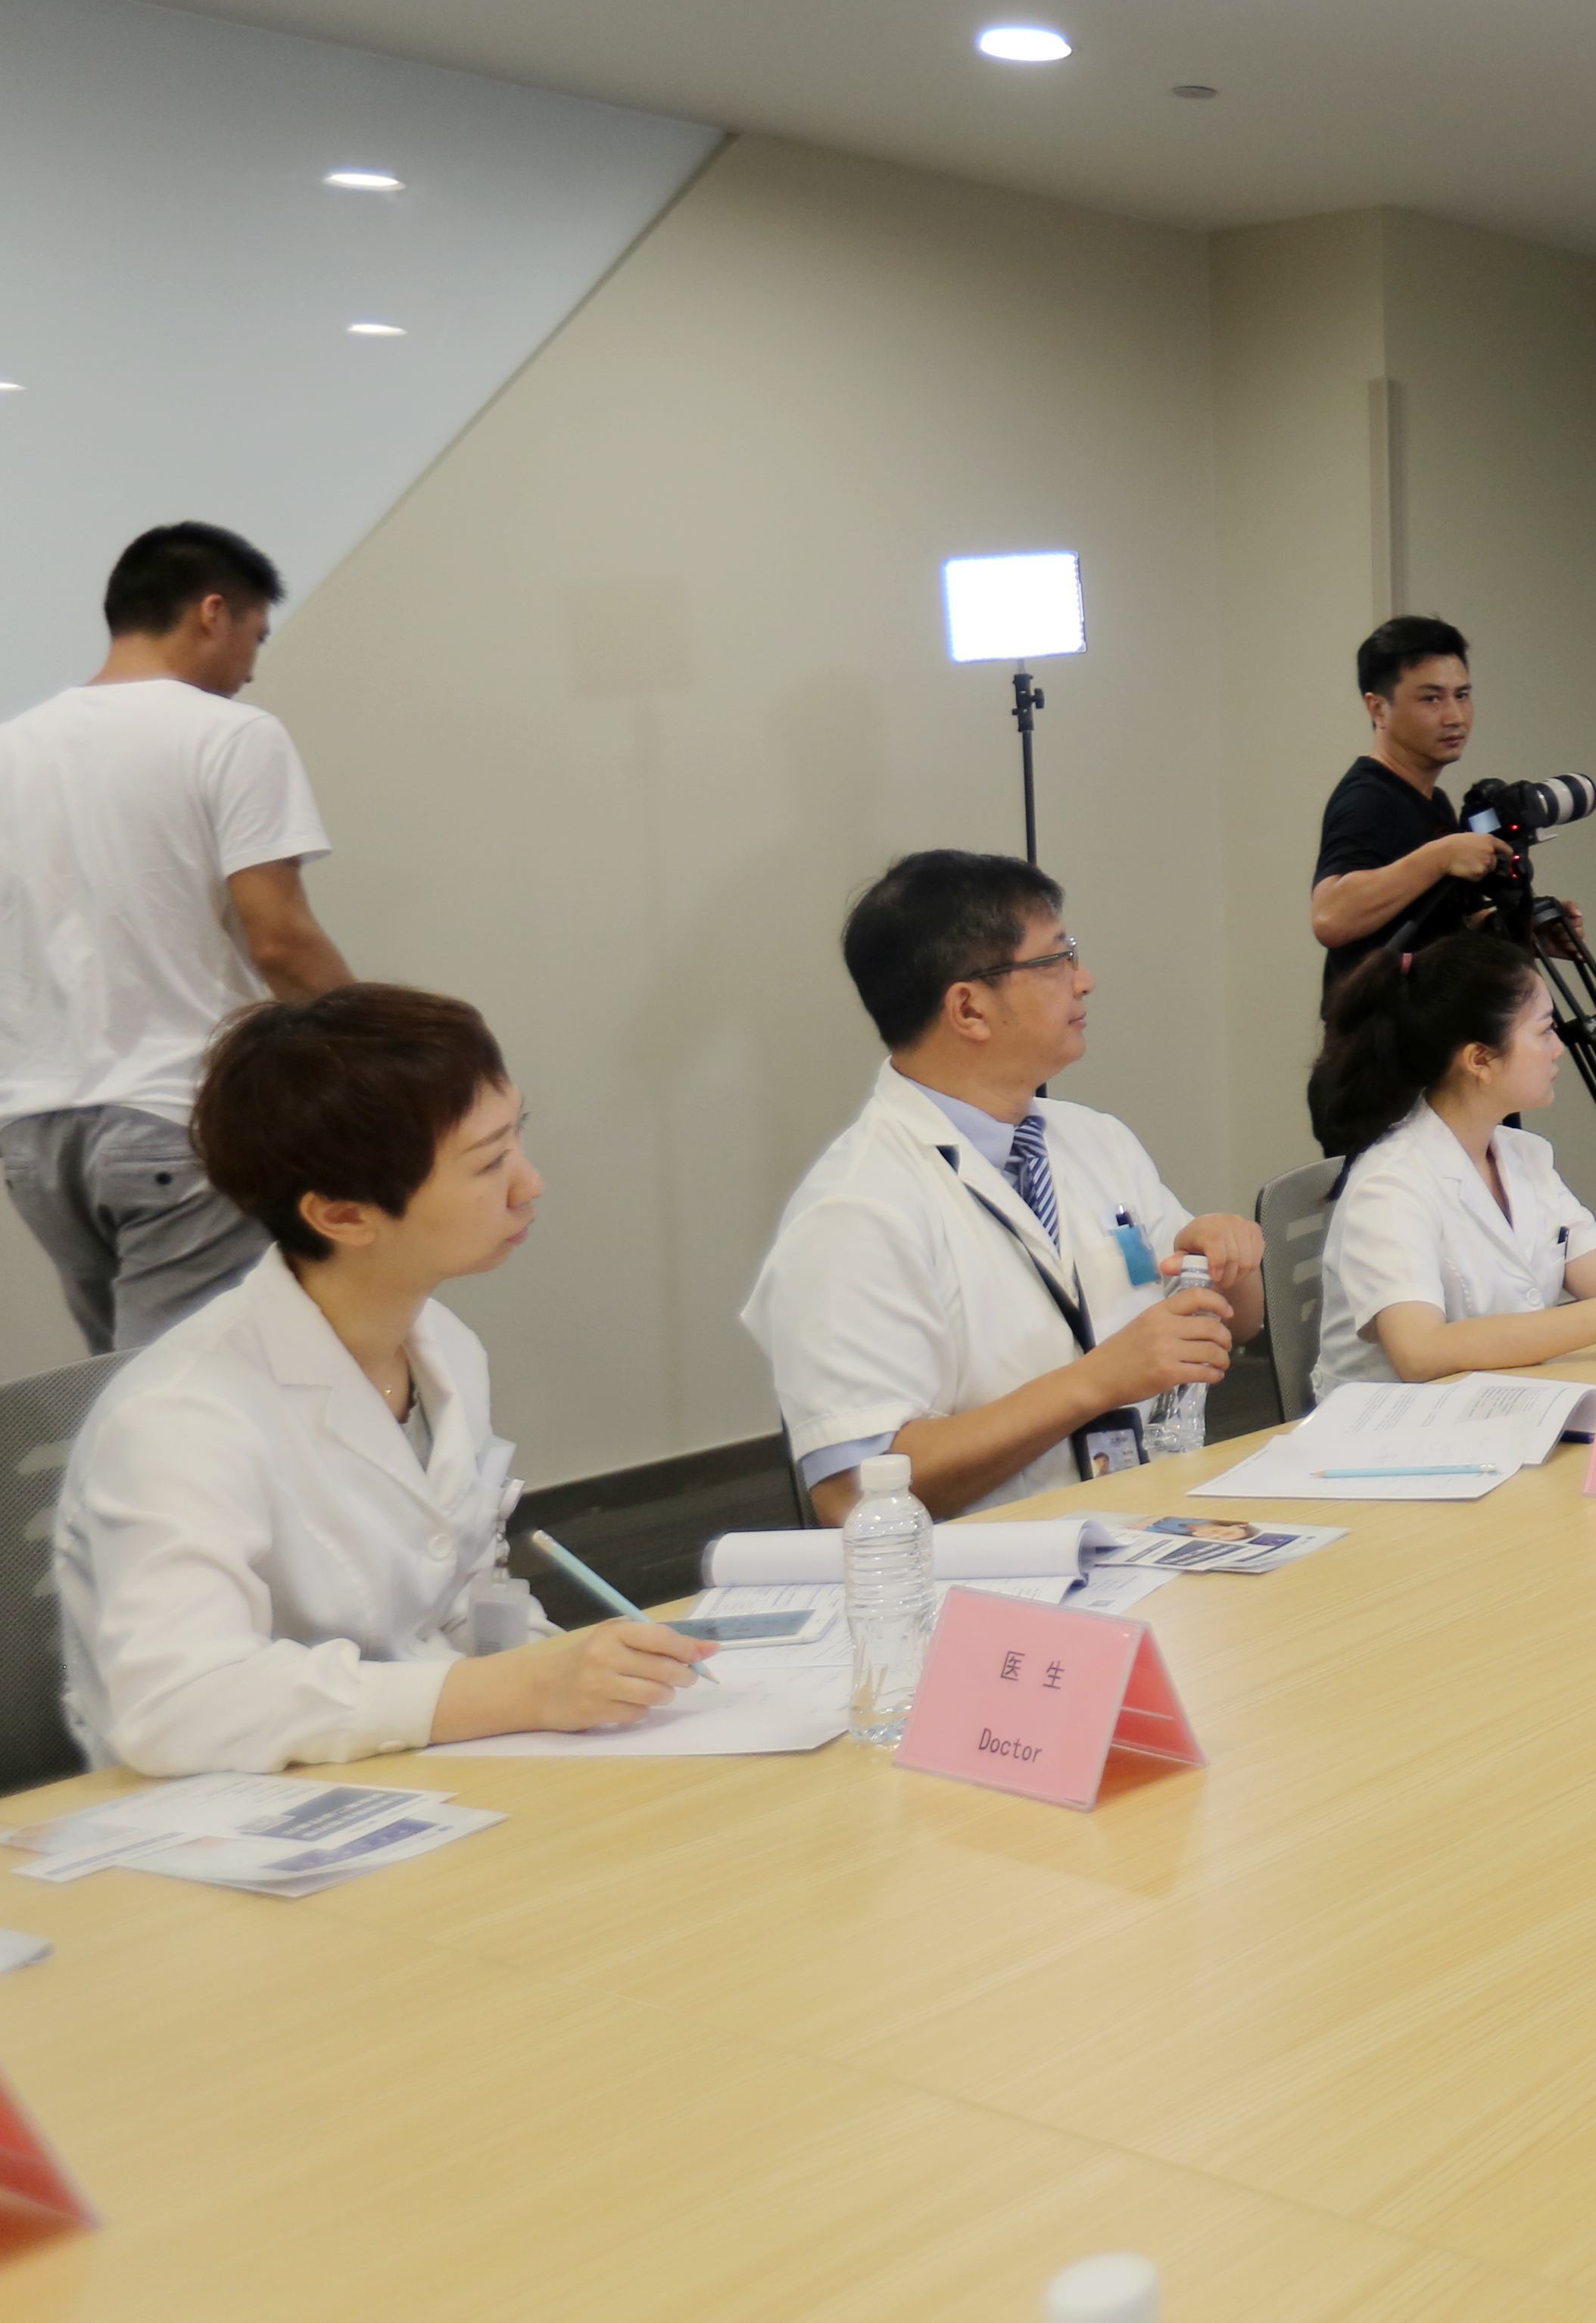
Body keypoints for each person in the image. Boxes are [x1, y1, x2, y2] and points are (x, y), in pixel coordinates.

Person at [57, 987, 708, 1776]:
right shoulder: (180, 1416)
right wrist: (521, 1690)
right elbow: (177, 1706)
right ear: (342, 1216)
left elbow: (459, 1607)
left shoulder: (443, 1347)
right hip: (231, 1811)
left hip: (413, 1775)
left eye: (517, 1137)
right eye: (488, 1163)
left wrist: (580, 1675)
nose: (529, 1183)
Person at [742, 853, 1264, 1523]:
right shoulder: (853, 1211)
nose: (1085, 980)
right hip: (1001, 1571)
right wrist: (1097, 1381)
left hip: (1149, 1522)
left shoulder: (1096, 1140)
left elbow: (1238, 1326)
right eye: (1056, 960)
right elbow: (852, 1496)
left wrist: (1225, 1263)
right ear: (969, 1009)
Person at [1, 523, 357, 1353]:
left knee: (125, 1389)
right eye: (256, 636)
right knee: (195, 1398)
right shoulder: (230, 734)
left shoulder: (10, 750)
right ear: (212, 612)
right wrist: (387, 1052)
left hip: (34, 1135)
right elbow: (281, 940)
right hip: (174, 1113)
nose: (252, 668)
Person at [1305, 932, 1596, 1400]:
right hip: (1392, 1427)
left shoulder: (1524, 1155)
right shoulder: (1390, 1183)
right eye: (1544, 1031)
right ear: (1480, 1059)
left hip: (1501, 1402)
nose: (1559, 1048)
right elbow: (1419, 1352)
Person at [1309, 616, 1504, 1001]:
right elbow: (1330, 916)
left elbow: (1434, 925)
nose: (1455, 716)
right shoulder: (1368, 798)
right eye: (1431, 698)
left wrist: (1527, 932)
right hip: (1379, 1034)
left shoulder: (1433, 801)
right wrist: (1441, 857)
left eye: (1462, 695)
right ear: (1378, 709)